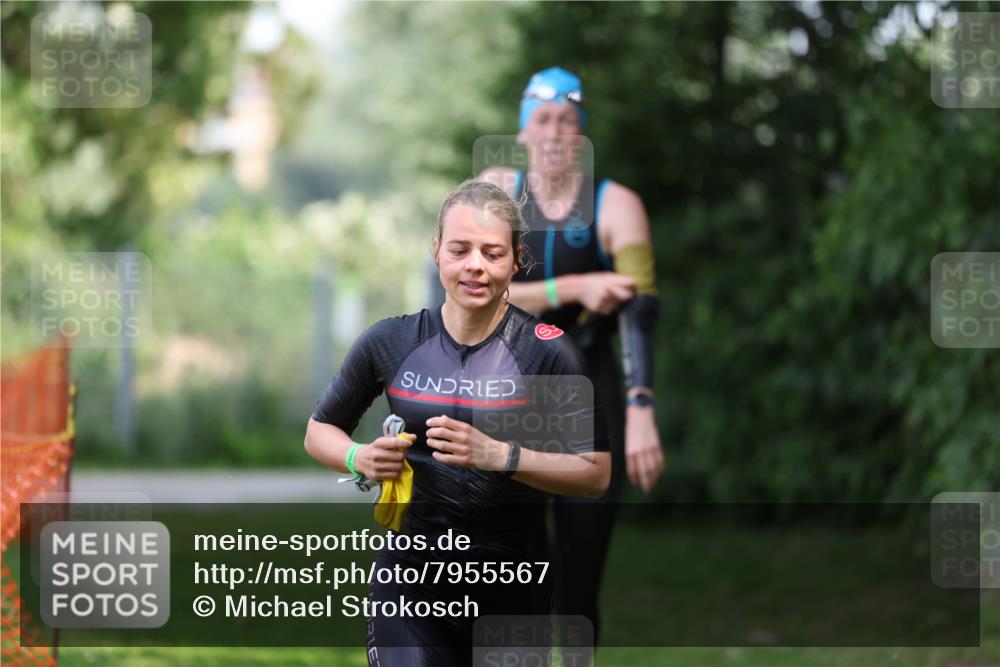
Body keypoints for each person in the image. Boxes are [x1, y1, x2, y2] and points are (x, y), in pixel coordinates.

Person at [305, 179, 611, 667]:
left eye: (493, 253)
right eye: (460, 249)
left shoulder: (550, 352)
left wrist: (502, 456)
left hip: (513, 588)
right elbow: (319, 430)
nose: (475, 265)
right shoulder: (390, 341)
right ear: (437, 252)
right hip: (411, 582)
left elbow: (595, 473)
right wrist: (359, 457)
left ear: (516, 260)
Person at [479, 66, 665, 643]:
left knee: (579, 586)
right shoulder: (495, 192)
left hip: (589, 398)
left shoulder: (617, 205)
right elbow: (473, 292)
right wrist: (575, 288)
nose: (554, 132)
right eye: (542, 119)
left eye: (566, 119)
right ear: (523, 131)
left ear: (581, 132)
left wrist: (640, 408)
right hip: (506, 394)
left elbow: (640, 312)